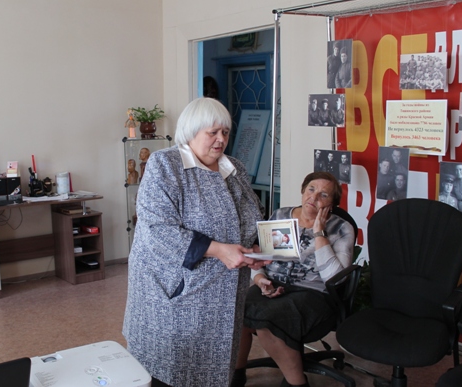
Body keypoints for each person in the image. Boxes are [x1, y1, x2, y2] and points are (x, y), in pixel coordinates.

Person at [123, 97, 268, 387]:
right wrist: (219, 250)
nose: (221, 140)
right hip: (177, 293)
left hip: (225, 293)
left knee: (216, 366)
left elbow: (252, 214)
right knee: (172, 368)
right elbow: (156, 229)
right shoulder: (165, 165)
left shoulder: (234, 168)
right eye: (212, 132)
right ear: (191, 131)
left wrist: (252, 249)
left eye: (225, 132)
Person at [232, 172, 355, 387]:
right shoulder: (280, 215)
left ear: (332, 204)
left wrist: (319, 233)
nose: (314, 197)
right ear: (303, 191)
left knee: (267, 321)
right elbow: (260, 258)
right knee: (237, 309)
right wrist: (260, 280)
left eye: (323, 195)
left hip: (314, 293)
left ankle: (297, 382)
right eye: (311, 189)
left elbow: (335, 278)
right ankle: (236, 374)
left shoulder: (342, 228)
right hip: (272, 285)